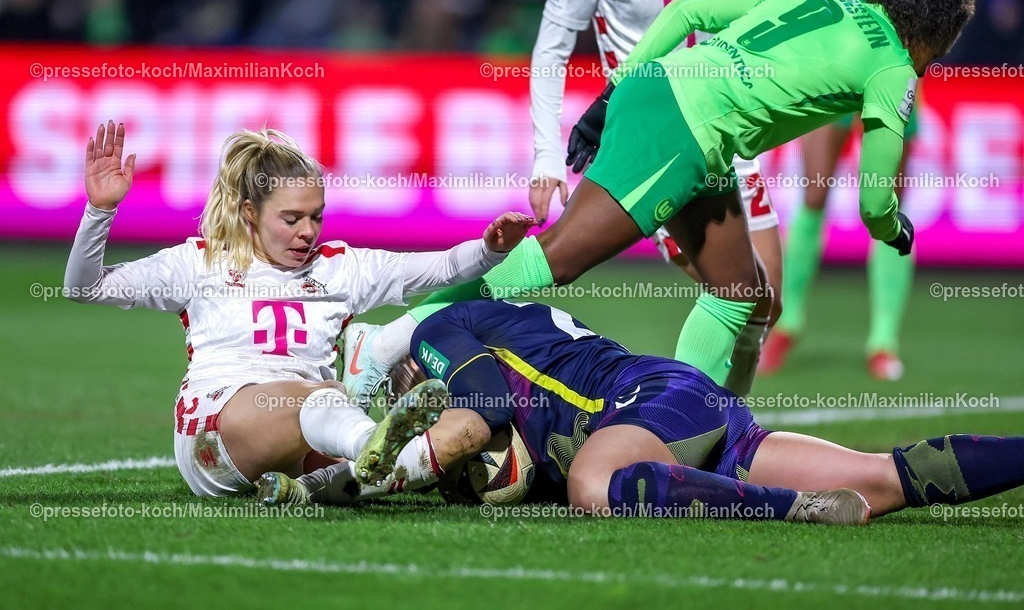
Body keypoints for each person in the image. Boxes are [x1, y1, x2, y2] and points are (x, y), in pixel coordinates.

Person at [342, 0, 975, 403]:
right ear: (934, 41)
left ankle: (701, 426)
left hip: (672, 101)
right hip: (685, 130)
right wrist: (895, 227)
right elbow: (871, 202)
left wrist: (616, 89)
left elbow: (691, 11)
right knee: (559, 259)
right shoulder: (894, 69)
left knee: (740, 293)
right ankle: (385, 345)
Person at [64, 120, 535, 497]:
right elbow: (84, 288)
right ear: (250, 212)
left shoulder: (339, 268)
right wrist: (99, 211)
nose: (307, 231)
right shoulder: (200, 262)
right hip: (219, 435)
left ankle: (307, 488)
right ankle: (377, 448)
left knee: (465, 431)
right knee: (319, 397)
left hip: (309, 439)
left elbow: (437, 268)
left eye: (316, 216)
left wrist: (490, 249)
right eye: (290, 219)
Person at [266, 299, 1024, 526]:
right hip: (682, 404)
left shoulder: (434, 332)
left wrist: (367, 477)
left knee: (598, 483)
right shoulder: (487, 323)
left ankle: (794, 509)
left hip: (642, 403)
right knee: (885, 477)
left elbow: (481, 410)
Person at [526, 0, 783, 399]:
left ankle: (720, 430)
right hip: (656, 140)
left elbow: (770, 10)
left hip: (729, 124)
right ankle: (691, 425)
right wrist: (546, 156)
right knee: (736, 294)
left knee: (763, 304)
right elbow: (551, 49)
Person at [760, 0, 927, 381]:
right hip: (828, 59)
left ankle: (883, 341)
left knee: (888, 201)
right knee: (813, 196)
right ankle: (787, 324)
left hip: (896, 56)